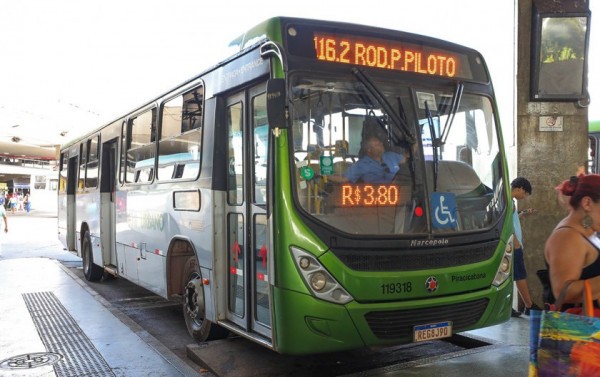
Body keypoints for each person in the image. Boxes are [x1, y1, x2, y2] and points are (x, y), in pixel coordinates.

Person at [544, 174, 600, 307]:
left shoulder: (586, 230)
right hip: (581, 325)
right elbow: (563, 291)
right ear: (587, 203)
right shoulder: (567, 237)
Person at [510, 177, 541, 317]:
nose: (525, 196)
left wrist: (522, 213)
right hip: (513, 245)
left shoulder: (507, 201)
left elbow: (511, 219)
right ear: (520, 188)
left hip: (512, 244)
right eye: (525, 193)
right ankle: (529, 306)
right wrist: (515, 242)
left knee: (512, 276)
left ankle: (507, 307)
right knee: (520, 275)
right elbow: (507, 224)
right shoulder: (508, 202)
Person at [334, 135, 405, 184]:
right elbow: (343, 179)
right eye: (377, 145)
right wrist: (324, 175)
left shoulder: (391, 156)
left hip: (400, 197)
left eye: (380, 143)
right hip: (375, 199)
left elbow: (408, 159)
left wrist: (415, 144)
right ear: (369, 150)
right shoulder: (360, 165)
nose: (381, 144)